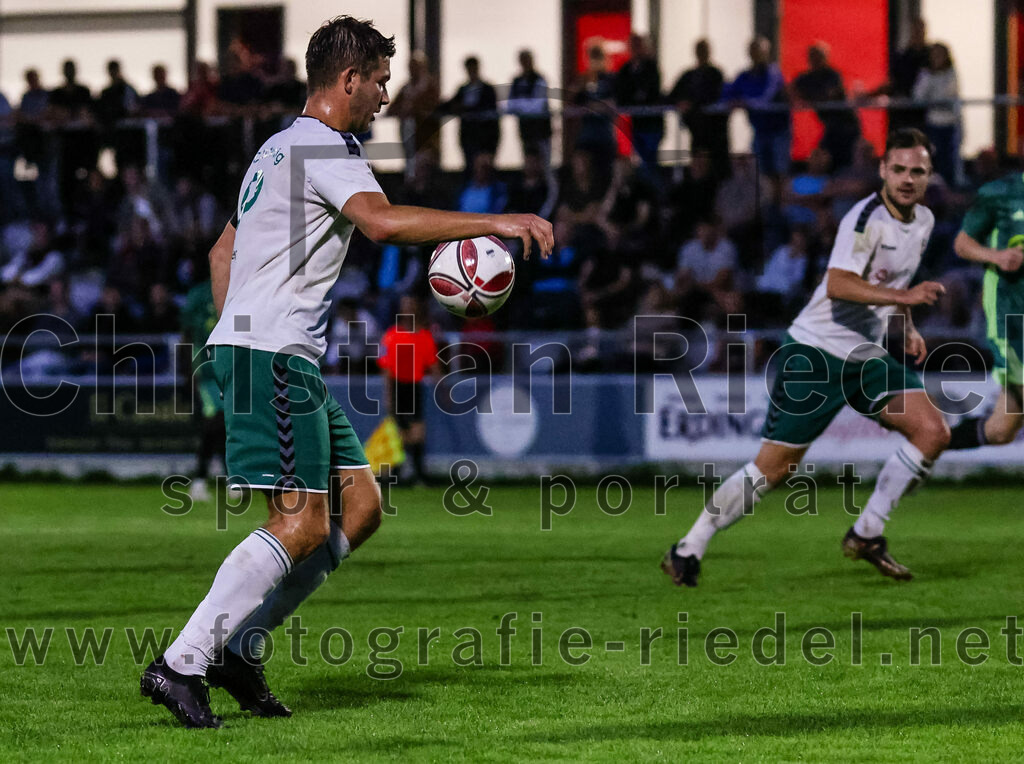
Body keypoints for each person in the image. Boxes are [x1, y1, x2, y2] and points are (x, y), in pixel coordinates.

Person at [139, 15, 553, 729]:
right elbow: (383, 224)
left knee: (359, 509)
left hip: (270, 349)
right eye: (382, 82)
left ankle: (241, 648)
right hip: (272, 352)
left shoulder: (274, 151)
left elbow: (219, 255)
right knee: (298, 524)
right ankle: (181, 662)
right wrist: (495, 221)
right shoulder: (327, 149)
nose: (387, 95)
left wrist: (235, 325)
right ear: (348, 79)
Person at [661, 128, 950, 587]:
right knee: (772, 470)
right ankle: (688, 546)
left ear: (929, 175)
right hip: (816, 356)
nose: (907, 179)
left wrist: (906, 324)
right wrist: (906, 297)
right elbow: (838, 283)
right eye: (898, 169)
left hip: (866, 356)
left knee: (933, 430)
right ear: (882, 170)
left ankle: (867, 533)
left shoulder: (924, 222)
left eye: (918, 170)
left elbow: (894, 284)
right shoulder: (865, 219)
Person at [945, 170, 1024, 451]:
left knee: (1001, 430)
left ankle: (929, 441)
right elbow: (962, 244)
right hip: (1013, 318)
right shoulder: (999, 193)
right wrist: (997, 256)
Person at [378, 295, 438, 485]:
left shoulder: (424, 335)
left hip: (415, 386)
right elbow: (386, 367)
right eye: (405, 306)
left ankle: (416, 473)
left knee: (417, 431)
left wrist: (444, 388)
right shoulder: (392, 334)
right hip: (398, 385)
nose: (408, 309)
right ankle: (399, 473)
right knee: (402, 432)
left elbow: (433, 364)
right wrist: (388, 395)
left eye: (411, 305)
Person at [180, 275, 224, 503]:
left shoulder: (237, 287)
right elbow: (187, 334)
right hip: (207, 370)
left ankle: (229, 478)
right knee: (214, 422)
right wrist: (187, 369)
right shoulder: (199, 293)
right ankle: (199, 479)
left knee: (225, 423)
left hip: (232, 369)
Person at [722, 37, 790, 179]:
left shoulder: (773, 73)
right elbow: (728, 94)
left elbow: (766, 98)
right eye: (752, 52)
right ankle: (766, 200)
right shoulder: (745, 76)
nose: (756, 55)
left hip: (778, 131)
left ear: (766, 53)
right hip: (759, 131)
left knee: (779, 170)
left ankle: (781, 200)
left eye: (759, 52)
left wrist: (745, 102)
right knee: (761, 172)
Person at [792, 42, 860, 170]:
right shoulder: (806, 78)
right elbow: (792, 92)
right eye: (813, 56)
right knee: (824, 157)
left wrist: (809, 97)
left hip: (847, 126)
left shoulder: (833, 75)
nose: (816, 60)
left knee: (846, 160)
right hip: (830, 126)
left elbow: (829, 95)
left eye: (819, 56)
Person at [668, 39, 729, 179]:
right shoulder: (688, 75)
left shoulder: (715, 74)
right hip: (696, 130)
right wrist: (680, 102)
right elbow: (672, 95)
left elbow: (713, 95)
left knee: (714, 170)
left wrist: (691, 103)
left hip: (714, 132)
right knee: (698, 167)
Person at [913, 43, 962, 187]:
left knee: (950, 156)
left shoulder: (951, 74)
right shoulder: (925, 75)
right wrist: (930, 78)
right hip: (933, 122)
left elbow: (949, 94)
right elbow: (918, 96)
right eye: (935, 55)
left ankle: (951, 185)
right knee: (934, 155)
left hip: (950, 122)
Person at [615, 33, 663, 170]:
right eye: (632, 46)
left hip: (652, 123)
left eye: (637, 46)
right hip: (636, 124)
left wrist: (637, 97)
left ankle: (655, 189)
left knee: (648, 162)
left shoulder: (651, 67)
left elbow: (651, 92)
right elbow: (622, 94)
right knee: (641, 161)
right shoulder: (625, 70)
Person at [443, 56, 500, 172]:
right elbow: (451, 105)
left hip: (485, 135)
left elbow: (488, 108)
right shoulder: (463, 89)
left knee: (485, 167)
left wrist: (465, 108)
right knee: (470, 166)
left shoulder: (488, 89)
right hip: (468, 135)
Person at [506, 50, 552, 167]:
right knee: (529, 163)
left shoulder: (539, 79)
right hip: (525, 130)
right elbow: (510, 105)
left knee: (545, 164)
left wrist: (520, 105)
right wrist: (525, 105)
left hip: (541, 130)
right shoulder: (517, 81)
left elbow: (537, 106)